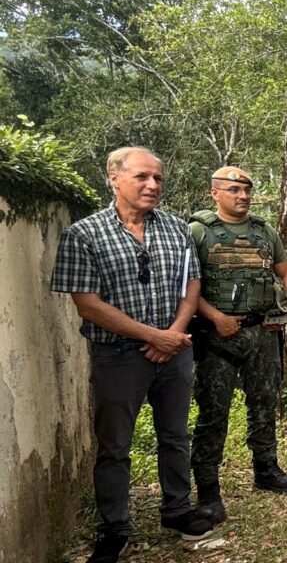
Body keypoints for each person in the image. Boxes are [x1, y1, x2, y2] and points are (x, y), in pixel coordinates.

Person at [51, 147, 212, 562]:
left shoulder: (177, 229)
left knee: (175, 435)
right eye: (142, 177)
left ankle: (176, 509)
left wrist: (173, 335)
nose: (153, 185)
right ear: (114, 178)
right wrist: (153, 337)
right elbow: (87, 303)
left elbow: (191, 286)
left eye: (157, 178)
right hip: (118, 357)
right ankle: (115, 526)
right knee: (114, 445)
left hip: (174, 352)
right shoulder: (84, 234)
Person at [188, 166, 287, 527]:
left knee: (264, 402)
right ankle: (207, 490)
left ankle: (266, 470)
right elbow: (187, 287)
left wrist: (278, 304)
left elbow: (285, 271)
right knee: (213, 413)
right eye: (234, 190)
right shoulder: (197, 233)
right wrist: (216, 317)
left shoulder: (264, 230)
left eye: (247, 190)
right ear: (215, 194)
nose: (243, 196)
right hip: (218, 337)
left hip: (262, 333)